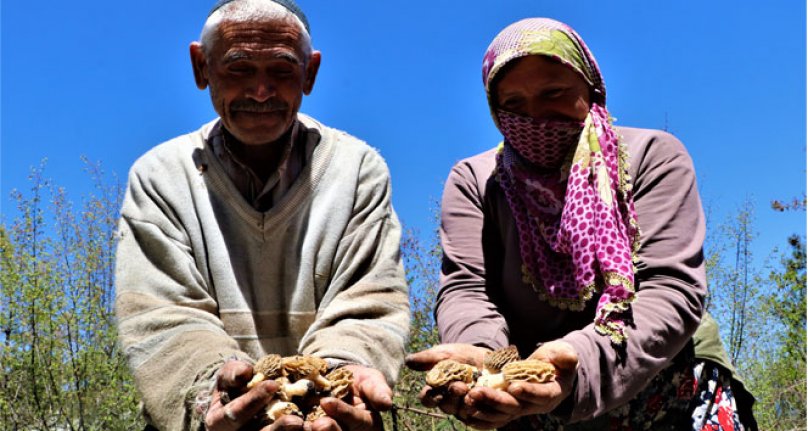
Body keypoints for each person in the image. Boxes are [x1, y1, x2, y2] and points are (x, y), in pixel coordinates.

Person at [406, 18, 756, 431]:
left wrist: (580, 362)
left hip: (662, 377)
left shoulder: (651, 157)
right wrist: (486, 361)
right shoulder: (475, 181)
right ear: (494, 110)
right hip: (532, 394)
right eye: (513, 105)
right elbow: (467, 288)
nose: (534, 116)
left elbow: (671, 287)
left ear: (591, 89)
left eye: (553, 93)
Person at [114, 1, 409, 430]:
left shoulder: (357, 168)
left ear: (310, 73)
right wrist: (210, 390)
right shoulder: (160, 176)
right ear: (201, 67)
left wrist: (331, 382)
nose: (260, 92)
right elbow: (162, 317)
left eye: (282, 71)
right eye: (239, 69)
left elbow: (367, 303)